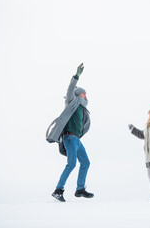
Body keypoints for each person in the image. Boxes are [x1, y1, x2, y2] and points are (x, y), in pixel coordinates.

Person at [47, 63, 94, 202]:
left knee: (86, 162)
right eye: (83, 93)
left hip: (77, 140)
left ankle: (80, 189)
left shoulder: (83, 109)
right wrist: (76, 76)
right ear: (78, 94)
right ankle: (58, 190)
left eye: (85, 93)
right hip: (69, 138)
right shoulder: (72, 102)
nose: (85, 95)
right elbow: (70, 90)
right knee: (72, 164)